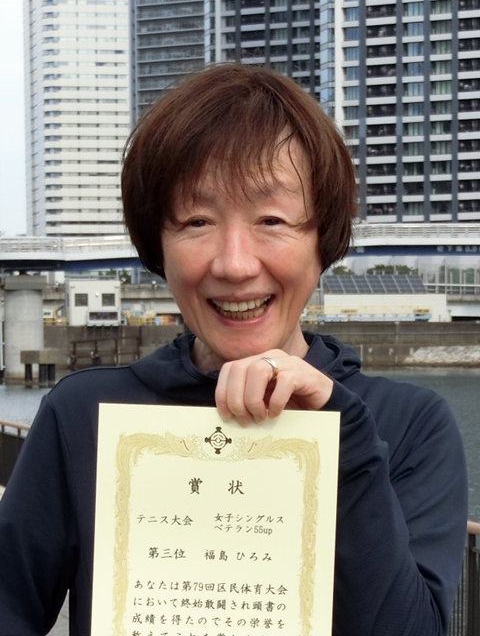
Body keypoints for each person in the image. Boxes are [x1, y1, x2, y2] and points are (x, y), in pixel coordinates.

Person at [0, 63, 467, 636]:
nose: (235, 263)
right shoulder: (81, 414)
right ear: (158, 246)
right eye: (197, 221)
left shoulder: (411, 425)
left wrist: (345, 442)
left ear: (322, 241)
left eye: (272, 219)